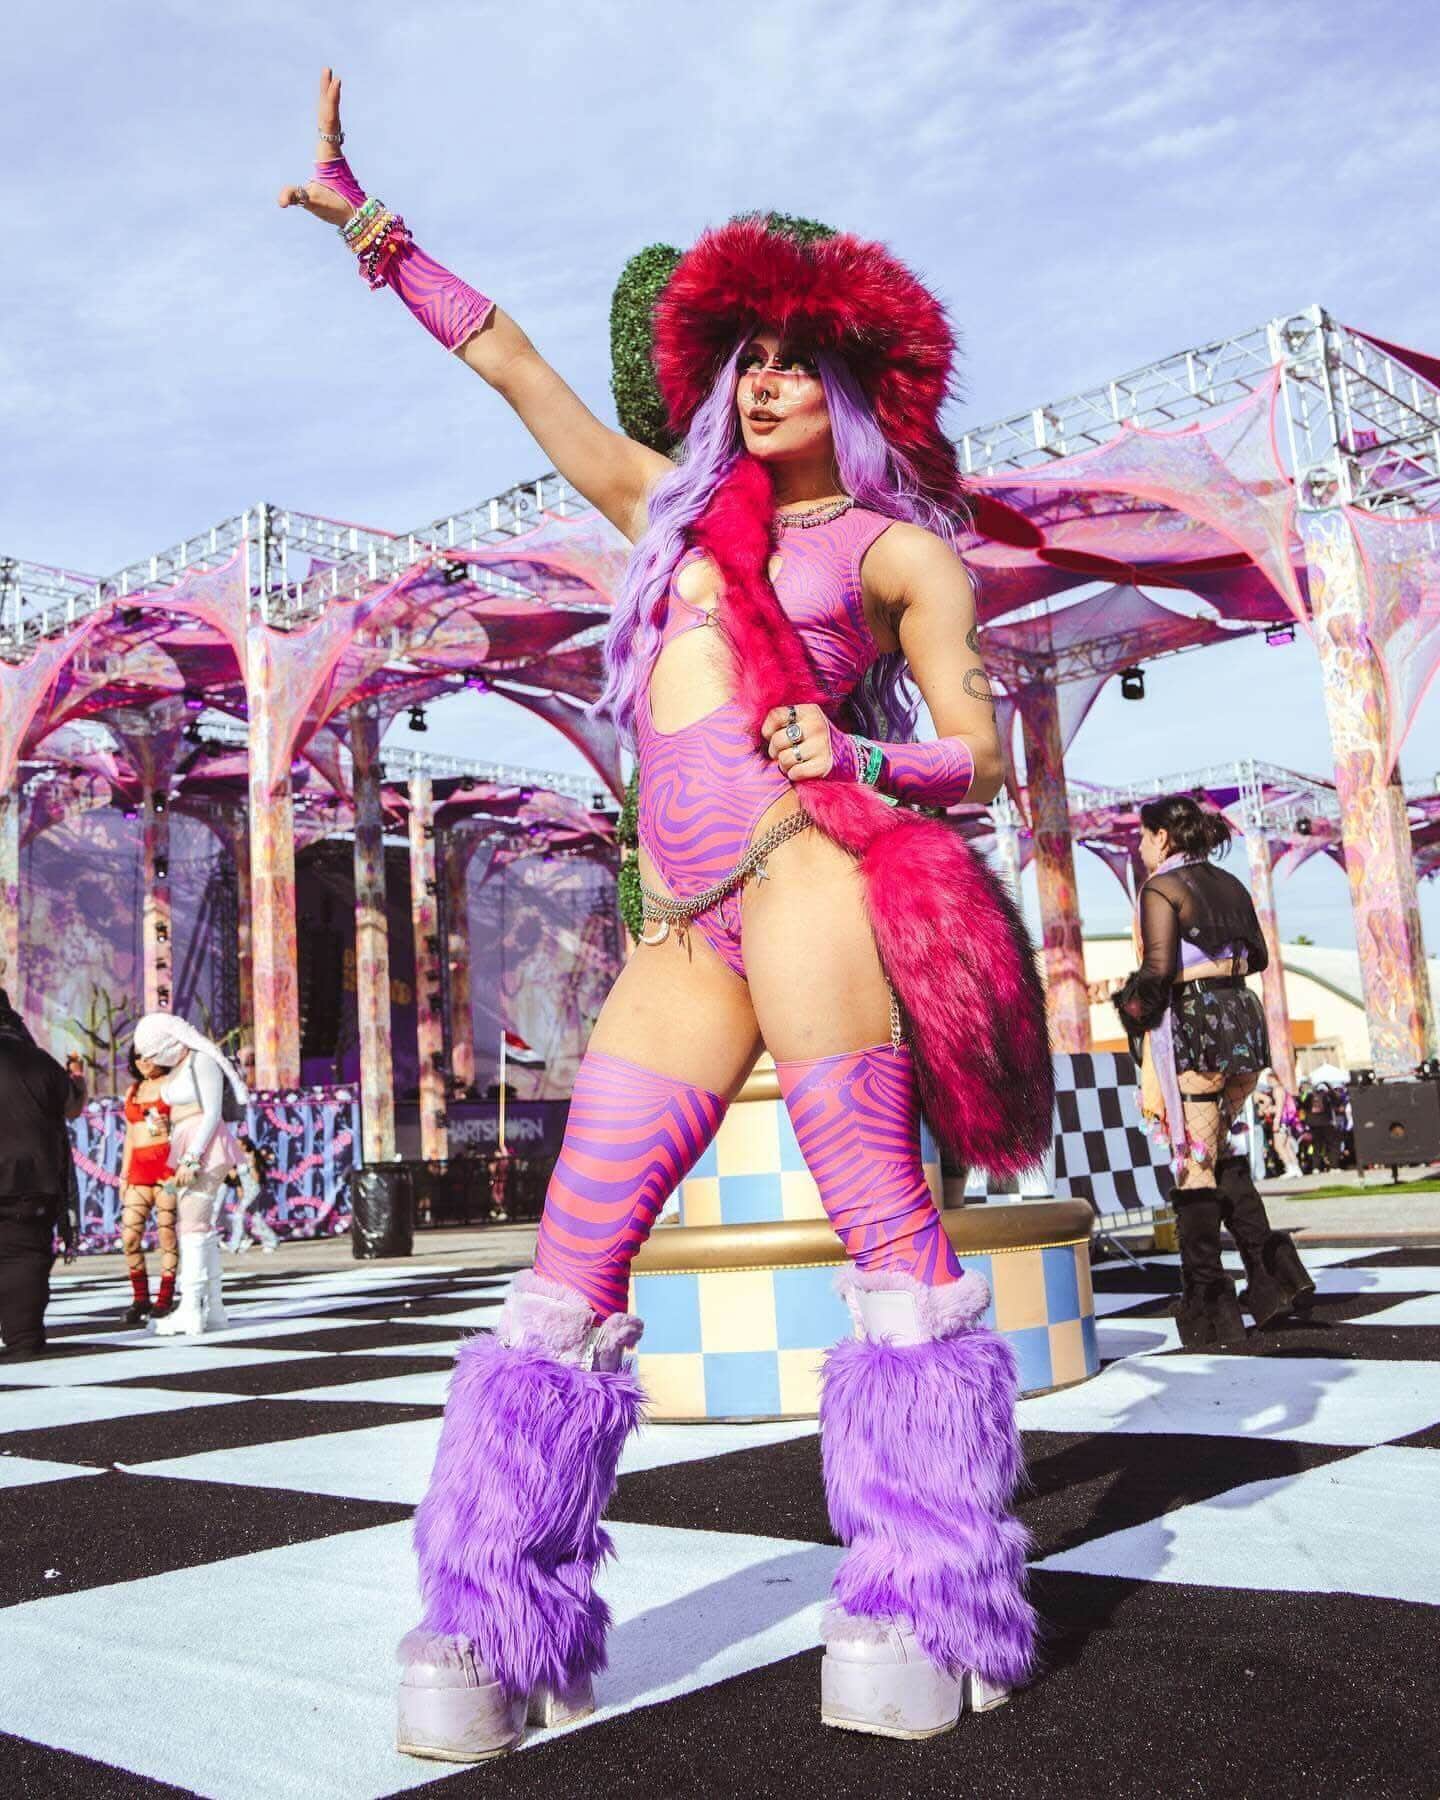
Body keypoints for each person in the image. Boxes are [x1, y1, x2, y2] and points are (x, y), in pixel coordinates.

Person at [284, 69, 1051, 1757]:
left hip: (810, 881)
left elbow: (979, 753)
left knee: (885, 1246)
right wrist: (369, 231)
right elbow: (514, 369)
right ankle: (493, 1613)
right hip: (686, 919)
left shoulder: (903, 552)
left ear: (851, 378)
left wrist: (862, 749)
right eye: (748, 359)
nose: (766, 383)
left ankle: (932, 1593)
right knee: (570, 1264)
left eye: (799, 359)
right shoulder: (672, 512)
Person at [1115, 796, 1314, 1347]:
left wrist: (1127, 1008)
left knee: (1194, 1168)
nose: (1138, 844)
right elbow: (1260, 960)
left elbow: (1156, 973)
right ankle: (1273, 1280)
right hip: (1241, 1024)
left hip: (1197, 1028)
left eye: (1143, 834)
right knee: (1221, 1156)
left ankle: (1209, 1302)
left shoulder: (1161, 888)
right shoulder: (1231, 884)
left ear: (1162, 837)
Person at [130, 1014, 249, 1336]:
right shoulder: (182, 1066)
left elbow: (211, 1112)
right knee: (197, 1225)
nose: (150, 1061)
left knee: (192, 1226)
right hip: (188, 1144)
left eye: (153, 1053)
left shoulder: (201, 1061)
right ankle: (213, 1309)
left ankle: (192, 1308)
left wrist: (193, 1157)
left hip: (204, 1148)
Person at [0, 989, 85, 1360]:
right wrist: (77, 1078)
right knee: (25, 1258)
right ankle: (23, 1341)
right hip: (32, 1183)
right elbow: (72, 1107)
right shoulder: (39, 1061)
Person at [119, 1049, 180, 1322]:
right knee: (129, 1237)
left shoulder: (172, 1085)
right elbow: (130, 1136)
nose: (144, 1063)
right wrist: (123, 1175)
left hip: (167, 1169)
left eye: (150, 1056)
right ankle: (140, 1298)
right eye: (139, 1057)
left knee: (166, 1234)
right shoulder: (133, 1090)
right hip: (139, 1171)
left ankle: (164, 1298)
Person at [224, 1134, 279, 1254]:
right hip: (246, 1189)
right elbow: (235, 1175)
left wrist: (253, 1164)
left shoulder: (252, 1156)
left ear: (245, 1145)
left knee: (239, 1214)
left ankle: (235, 1243)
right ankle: (271, 1240)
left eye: (239, 1145)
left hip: (253, 1189)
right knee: (255, 1216)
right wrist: (238, 1186)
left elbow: (257, 1178)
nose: (236, 1147)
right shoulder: (238, 1158)